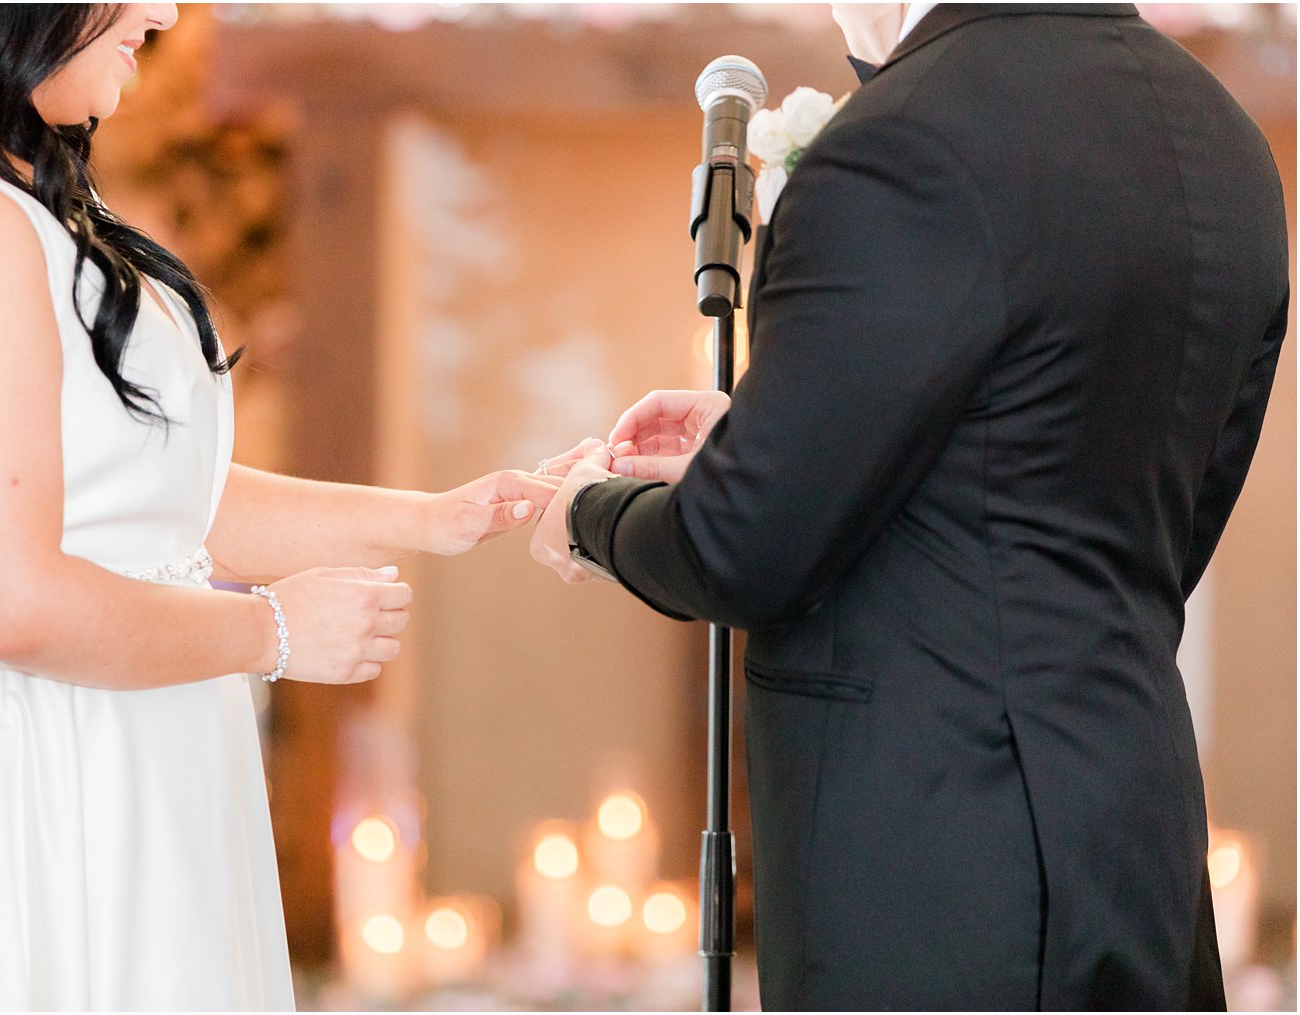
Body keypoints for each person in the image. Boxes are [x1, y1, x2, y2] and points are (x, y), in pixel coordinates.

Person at [0, 5, 557, 1010]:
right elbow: (9, 602)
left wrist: (430, 516)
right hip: (26, 773)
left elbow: (138, 501)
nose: (160, 11)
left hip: (79, 741)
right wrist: (271, 628)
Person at [533, 3, 1288, 1009]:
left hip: (935, 869)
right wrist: (766, 441)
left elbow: (734, 549)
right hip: (1135, 842)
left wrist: (590, 509)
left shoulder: (902, 136)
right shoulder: (1221, 141)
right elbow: (1119, 507)